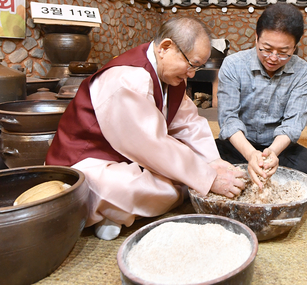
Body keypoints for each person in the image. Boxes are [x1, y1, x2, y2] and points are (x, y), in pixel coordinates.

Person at [46, 17, 246, 241]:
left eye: (197, 68)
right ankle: (110, 212)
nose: (192, 74)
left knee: (178, 181)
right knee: (149, 188)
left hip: (128, 157)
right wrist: (208, 178)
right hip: (85, 163)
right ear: (166, 48)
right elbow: (152, 145)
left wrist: (213, 162)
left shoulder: (169, 76)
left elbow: (190, 123)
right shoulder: (128, 78)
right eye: (192, 64)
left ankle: (118, 213)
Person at [215, 3, 307, 188]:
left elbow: (293, 124)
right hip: (240, 143)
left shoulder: (302, 71)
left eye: (283, 53)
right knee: (206, 152)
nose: (273, 58)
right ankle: (257, 168)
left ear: (294, 47)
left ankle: (252, 169)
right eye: (267, 49)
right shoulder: (233, 64)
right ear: (256, 38)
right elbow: (228, 119)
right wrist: (250, 154)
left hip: (275, 145)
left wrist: (271, 154)